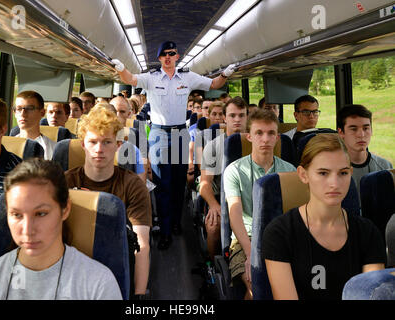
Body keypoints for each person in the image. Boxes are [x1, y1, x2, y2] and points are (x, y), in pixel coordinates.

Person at [111, 40, 235, 250]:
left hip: (180, 133)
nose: (168, 57)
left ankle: (176, 222)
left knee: (178, 183)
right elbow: (131, 79)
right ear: (159, 58)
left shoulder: (187, 77)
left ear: (177, 56)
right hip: (159, 133)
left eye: (172, 53)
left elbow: (213, 85)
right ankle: (166, 230)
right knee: (162, 184)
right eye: (164, 54)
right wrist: (122, 68)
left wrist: (225, 75)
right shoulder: (151, 78)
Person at [0, 158, 122, 300]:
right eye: (17, 215)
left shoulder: (98, 284)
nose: (28, 230)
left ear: (65, 209)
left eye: (41, 214)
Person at [263, 133, 386, 300]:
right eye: (323, 173)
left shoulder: (368, 233)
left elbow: (372, 294)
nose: (334, 183)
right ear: (303, 175)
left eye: (343, 173)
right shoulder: (280, 233)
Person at [65, 107, 151, 298]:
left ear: (118, 145)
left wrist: (138, 295)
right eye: (93, 142)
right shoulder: (65, 183)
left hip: (115, 265)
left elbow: (142, 244)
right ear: (83, 145)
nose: (99, 149)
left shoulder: (133, 186)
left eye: (107, 142)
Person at [224, 109, 296, 299]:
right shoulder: (234, 170)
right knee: (256, 285)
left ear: (277, 137)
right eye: (259, 133)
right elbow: (235, 215)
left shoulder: (290, 171)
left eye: (271, 133)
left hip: (283, 239)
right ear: (249, 137)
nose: (265, 139)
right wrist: (250, 254)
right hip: (245, 238)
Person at [200, 96, 247, 261]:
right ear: (225, 118)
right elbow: (204, 184)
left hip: (247, 197)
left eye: (241, 115)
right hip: (221, 196)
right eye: (232, 115)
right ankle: (215, 265)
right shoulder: (213, 147)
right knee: (214, 227)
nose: (237, 120)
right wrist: (215, 205)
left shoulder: (255, 144)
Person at [337, 104, 393, 198]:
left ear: (372, 130)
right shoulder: (332, 168)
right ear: (341, 132)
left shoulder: (385, 166)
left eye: (366, 128)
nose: (361, 134)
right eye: (354, 129)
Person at [14, 91, 56, 160]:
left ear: (42, 113)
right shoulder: (6, 145)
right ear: (15, 113)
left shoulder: (53, 148)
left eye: (29, 108)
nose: (22, 114)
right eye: (19, 109)